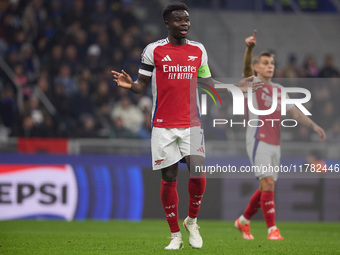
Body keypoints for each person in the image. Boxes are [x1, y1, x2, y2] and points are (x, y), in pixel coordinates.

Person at [112, 3, 262, 250]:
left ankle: (191, 221)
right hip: (162, 125)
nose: (185, 23)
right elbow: (141, 85)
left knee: (198, 173)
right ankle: (175, 236)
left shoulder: (198, 50)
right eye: (179, 19)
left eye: (187, 19)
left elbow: (208, 83)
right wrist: (130, 85)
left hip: (191, 123)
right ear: (167, 23)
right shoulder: (154, 50)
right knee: (169, 178)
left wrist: (236, 86)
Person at [234, 30, 326, 240]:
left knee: (266, 186)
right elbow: (246, 70)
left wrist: (314, 126)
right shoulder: (254, 84)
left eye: (272, 63)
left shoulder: (279, 90)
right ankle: (272, 230)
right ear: (257, 67)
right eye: (265, 62)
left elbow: (295, 112)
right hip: (258, 140)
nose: (269, 66)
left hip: (275, 143)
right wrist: (249, 49)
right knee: (268, 183)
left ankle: (243, 221)